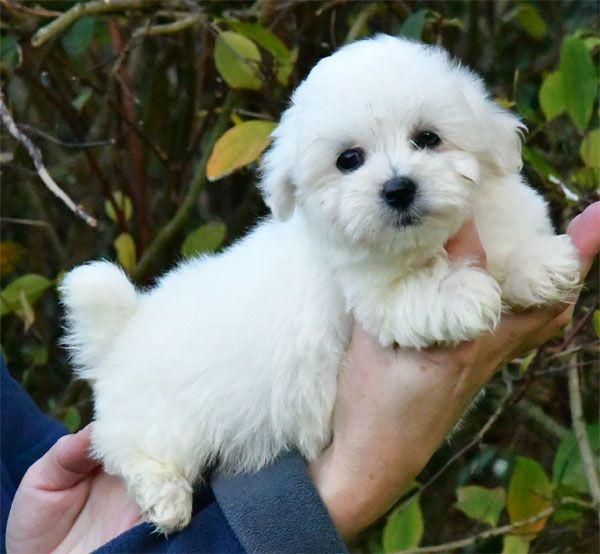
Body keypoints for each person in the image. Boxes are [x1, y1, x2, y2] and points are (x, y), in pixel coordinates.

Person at [3, 203, 599, 553]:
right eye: (348, 160)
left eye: (428, 139)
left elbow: (35, 457)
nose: (397, 178)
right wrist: (343, 486)